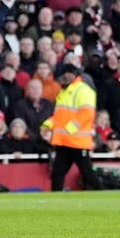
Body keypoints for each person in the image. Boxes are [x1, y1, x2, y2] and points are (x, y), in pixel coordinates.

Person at [48, 56, 104, 192]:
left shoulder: (83, 90)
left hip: (77, 140)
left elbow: (87, 113)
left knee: (87, 173)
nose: (65, 77)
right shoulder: (65, 91)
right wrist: (47, 125)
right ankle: (54, 200)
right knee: (57, 173)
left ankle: (102, 193)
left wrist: (70, 128)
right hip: (65, 140)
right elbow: (59, 116)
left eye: (67, 74)